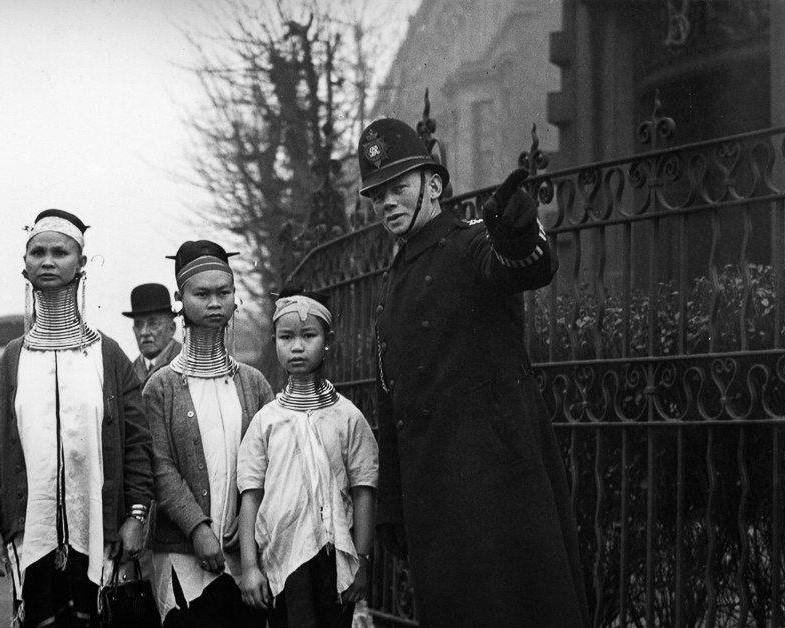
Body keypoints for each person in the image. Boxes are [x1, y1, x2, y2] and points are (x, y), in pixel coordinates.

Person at [360, 117, 588, 626]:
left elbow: (526, 265)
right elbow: (391, 403)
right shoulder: (391, 283)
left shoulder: (472, 243)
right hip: (435, 506)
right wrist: (393, 504)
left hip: (498, 495)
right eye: (377, 195)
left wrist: (518, 232)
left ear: (433, 185)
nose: (387, 203)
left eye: (399, 187)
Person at [0, 209, 154, 628]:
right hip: (30, 535)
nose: (48, 261)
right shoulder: (12, 360)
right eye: (38, 252)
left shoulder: (108, 357)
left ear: (82, 263)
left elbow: (137, 447)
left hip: (98, 533)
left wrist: (135, 516)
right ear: (25, 266)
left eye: (60, 252)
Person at [144, 240, 274, 628]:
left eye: (224, 292)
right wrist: (198, 529)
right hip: (182, 555)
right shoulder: (161, 387)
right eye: (202, 294)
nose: (215, 303)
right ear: (180, 300)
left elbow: (268, 465)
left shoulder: (254, 384)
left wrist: (247, 534)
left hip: (244, 557)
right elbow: (159, 468)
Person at [237, 290, 378, 628]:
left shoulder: (347, 417)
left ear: (328, 341)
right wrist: (250, 567)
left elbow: (363, 491)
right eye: (286, 337)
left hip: (334, 559)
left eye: (308, 336)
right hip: (281, 557)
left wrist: (360, 560)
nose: (297, 347)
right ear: (274, 341)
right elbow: (250, 495)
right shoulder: (266, 421)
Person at [122, 283, 182, 385]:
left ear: (171, 329)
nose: (144, 332)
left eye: (153, 324)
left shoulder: (186, 364)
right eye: (138, 324)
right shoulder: (129, 372)